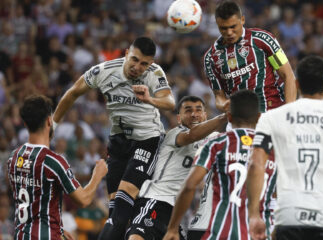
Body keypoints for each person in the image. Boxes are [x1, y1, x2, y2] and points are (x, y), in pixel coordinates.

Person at [52, 36, 175, 239]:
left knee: (120, 207)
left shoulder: (155, 73)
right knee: (116, 213)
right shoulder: (104, 71)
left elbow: (169, 101)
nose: (137, 66)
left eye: (144, 63)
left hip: (147, 140)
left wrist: (149, 99)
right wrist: (54, 124)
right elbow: (72, 93)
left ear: (150, 64)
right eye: (134, 59)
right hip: (118, 143)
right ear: (126, 53)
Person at [247, 56, 323, 240]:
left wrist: (254, 214)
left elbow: (256, 165)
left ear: (296, 84)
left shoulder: (271, 118)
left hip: (290, 214)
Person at [202, 1, 296, 236]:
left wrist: (290, 114)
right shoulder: (212, 57)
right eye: (224, 29)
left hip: (272, 115)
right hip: (240, 125)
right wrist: (223, 104)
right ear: (217, 26)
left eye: (233, 26)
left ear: (242, 20)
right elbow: (218, 96)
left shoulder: (261, 40)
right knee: (244, 181)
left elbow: (288, 75)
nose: (229, 32)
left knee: (276, 178)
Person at [163, 90, 261, 240]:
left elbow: (190, 186)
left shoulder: (215, 142)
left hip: (208, 227)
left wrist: (172, 228)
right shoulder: (270, 147)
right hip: (254, 230)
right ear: (259, 117)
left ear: (229, 117)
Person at [7, 95, 108, 240]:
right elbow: (84, 200)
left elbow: (33, 199)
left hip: (21, 235)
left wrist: (57, 228)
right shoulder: (53, 161)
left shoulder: (13, 157)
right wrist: (98, 174)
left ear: (25, 123)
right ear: (49, 121)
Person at [126, 96, 227, 240]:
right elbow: (192, 135)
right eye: (188, 110)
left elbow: (237, 137)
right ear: (179, 118)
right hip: (156, 200)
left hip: (178, 213)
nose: (194, 114)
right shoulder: (175, 133)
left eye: (199, 110)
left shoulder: (213, 138)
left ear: (205, 115)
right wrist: (224, 117)